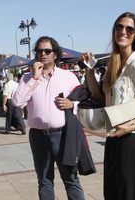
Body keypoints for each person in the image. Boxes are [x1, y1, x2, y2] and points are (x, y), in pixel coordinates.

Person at [82, 12, 135, 200]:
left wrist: (132, 126)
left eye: (129, 28)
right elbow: (100, 98)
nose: (123, 31)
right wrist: (89, 70)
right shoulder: (114, 63)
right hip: (113, 138)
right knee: (112, 193)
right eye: (119, 27)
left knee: (129, 195)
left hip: (131, 140)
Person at [12, 36, 86, 200]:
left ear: (55, 54)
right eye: (39, 51)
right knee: (44, 181)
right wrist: (34, 78)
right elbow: (17, 102)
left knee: (71, 179)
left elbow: (83, 102)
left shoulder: (68, 76)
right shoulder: (27, 78)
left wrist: (72, 104)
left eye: (47, 51)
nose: (43, 54)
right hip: (38, 136)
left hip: (63, 135)